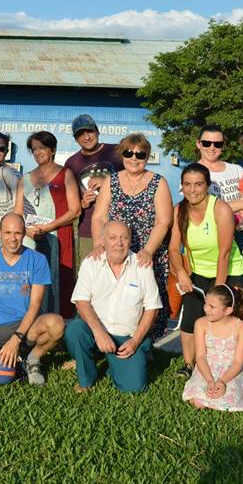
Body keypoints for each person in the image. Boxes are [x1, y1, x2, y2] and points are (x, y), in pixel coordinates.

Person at [0, 214, 65, 385]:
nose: (13, 238)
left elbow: (35, 305)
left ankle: (32, 358)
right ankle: (10, 359)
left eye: (17, 233)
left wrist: (15, 340)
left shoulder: (38, 260)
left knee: (56, 324)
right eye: (7, 233)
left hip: (25, 326)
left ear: (24, 233)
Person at [90, 133, 173, 339]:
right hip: (116, 250)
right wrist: (99, 243)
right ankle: (108, 337)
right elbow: (99, 217)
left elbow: (164, 221)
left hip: (146, 250)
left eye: (140, 154)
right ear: (121, 155)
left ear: (147, 156)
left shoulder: (158, 182)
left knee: (146, 298)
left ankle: (145, 343)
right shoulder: (112, 181)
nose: (134, 158)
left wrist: (148, 250)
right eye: (129, 153)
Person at [169, 163, 243, 379]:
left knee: (225, 317)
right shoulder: (179, 210)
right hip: (199, 271)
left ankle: (229, 366)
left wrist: (217, 292)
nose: (192, 189)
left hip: (229, 270)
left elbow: (224, 253)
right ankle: (188, 364)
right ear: (182, 186)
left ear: (208, 186)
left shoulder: (220, 209)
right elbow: (174, 249)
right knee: (191, 318)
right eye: (187, 184)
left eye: (198, 184)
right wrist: (182, 273)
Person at [65, 221, 162, 393]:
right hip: (95, 333)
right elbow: (81, 301)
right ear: (102, 241)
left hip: (126, 337)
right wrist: (99, 333)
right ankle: (87, 379)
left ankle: (120, 362)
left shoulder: (142, 266)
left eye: (124, 238)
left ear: (130, 241)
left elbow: (152, 308)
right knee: (75, 330)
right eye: (113, 238)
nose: (119, 243)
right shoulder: (91, 263)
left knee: (134, 388)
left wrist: (135, 341)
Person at [196, 124, 243, 294]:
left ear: (223, 146)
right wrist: (241, 204)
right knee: (218, 292)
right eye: (207, 143)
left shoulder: (237, 169)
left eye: (217, 144)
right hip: (215, 237)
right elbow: (202, 209)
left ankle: (242, 320)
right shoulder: (195, 173)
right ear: (198, 144)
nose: (212, 148)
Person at [22, 131, 80, 317]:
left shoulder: (66, 174)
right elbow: (17, 212)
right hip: (30, 238)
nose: (38, 152)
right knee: (31, 279)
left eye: (42, 147)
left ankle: (58, 324)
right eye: (34, 149)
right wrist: (26, 231)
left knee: (58, 280)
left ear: (52, 149)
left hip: (58, 236)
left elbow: (75, 210)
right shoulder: (25, 179)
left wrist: (48, 227)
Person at [182, 284, 243, 411]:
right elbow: (200, 356)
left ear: (228, 310)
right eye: (205, 304)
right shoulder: (200, 323)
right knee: (197, 401)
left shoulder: (242, 328)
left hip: (231, 370)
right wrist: (210, 380)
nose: (206, 309)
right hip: (206, 367)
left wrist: (222, 382)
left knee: (229, 402)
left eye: (212, 307)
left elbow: (238, 361)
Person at [63, 114, 123, 265]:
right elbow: (71, 201)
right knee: (92, 276)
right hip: (88, 230)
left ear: (97, 131)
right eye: (80, 134)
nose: (86, 137)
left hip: (121, 226)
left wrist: (108, 182)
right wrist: (83, 203)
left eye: (89, 131)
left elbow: (136, 181)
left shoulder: (118, 152)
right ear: (75, 139)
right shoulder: (71, 163)